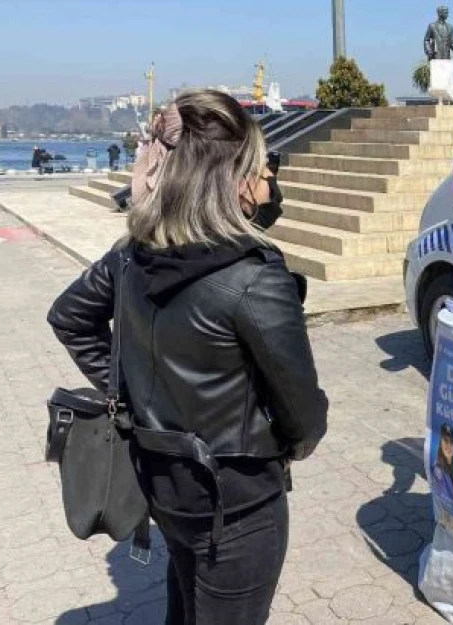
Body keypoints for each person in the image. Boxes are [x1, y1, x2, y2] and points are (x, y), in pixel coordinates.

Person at [47, 89, 327, 625]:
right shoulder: (254, 275)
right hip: (237, 507)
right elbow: (304, 415)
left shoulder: (134, 252)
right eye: (261, 171)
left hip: (163, 485)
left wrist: (130, 395)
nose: (269, 185)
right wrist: (290, 446)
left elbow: (69, 316)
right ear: (232, 179)